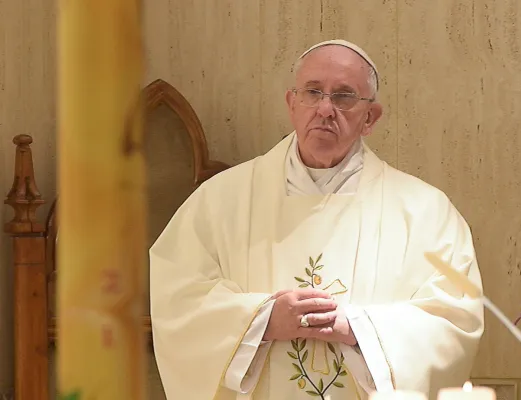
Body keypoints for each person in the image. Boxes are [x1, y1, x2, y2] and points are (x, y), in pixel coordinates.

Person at [149, 39, 485, 400]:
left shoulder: (425, 212)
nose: (326, 108)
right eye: (313, 92)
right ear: (292, 103)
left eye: (344, 96)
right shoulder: (220, 200)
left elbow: (453, 317)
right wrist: (262, 318)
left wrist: (358, 328)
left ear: (370, 117)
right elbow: (178, 299)